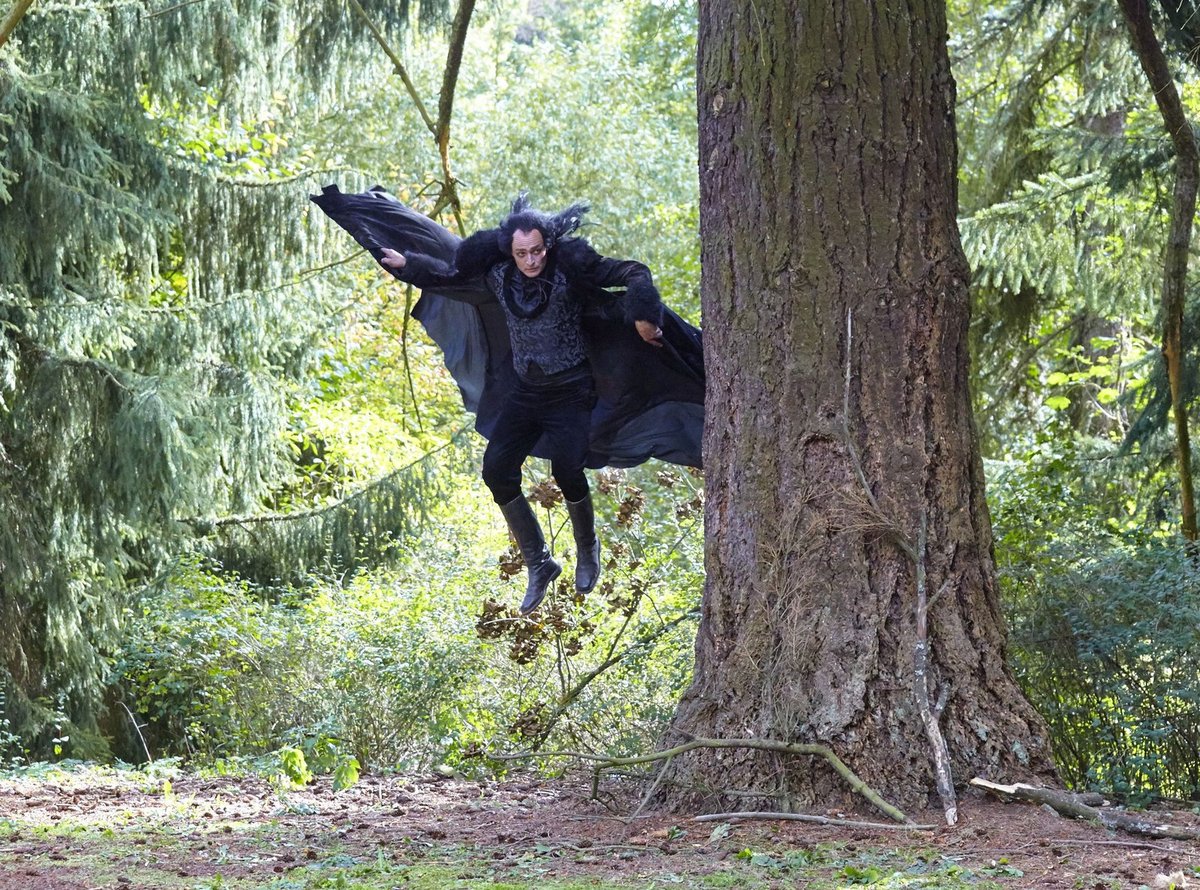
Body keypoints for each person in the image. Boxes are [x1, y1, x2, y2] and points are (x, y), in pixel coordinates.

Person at [310, 184, 705, 616]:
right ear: (510, 252)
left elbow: (633, 272)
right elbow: (449, 277)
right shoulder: (496, 276)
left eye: (537, 251)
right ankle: (539, 562)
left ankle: (587, 549)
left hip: (572, 391)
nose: (532, 260)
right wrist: (409, 265)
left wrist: (645, 317)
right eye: (523, 254)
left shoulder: (571, 271)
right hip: (527, 392)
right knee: (496, 471)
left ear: (547, 246)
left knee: (568, 470)